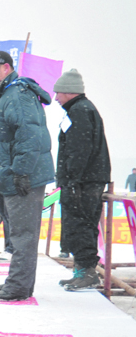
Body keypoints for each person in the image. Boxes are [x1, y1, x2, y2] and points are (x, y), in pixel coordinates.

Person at [0, 49, 56, 301]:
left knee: (22, 234)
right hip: (12, 177)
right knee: (17, 233)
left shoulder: (17, 96)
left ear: (6, 67)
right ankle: (17, 281)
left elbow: (29, 136)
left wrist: (20, 172)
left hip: (24, 178)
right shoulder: (9, 95)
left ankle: (19, 286)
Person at [52, 68, 112, 291]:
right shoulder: (82, 109)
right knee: (80, 223)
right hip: (86, 178)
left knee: (80, 223)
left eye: (58, 93)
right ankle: (81, 270)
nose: (56, 98)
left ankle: (86, 272)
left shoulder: (79, 111)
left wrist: (72, 180)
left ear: (69, 92)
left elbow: (79, 149)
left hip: (83, 180)